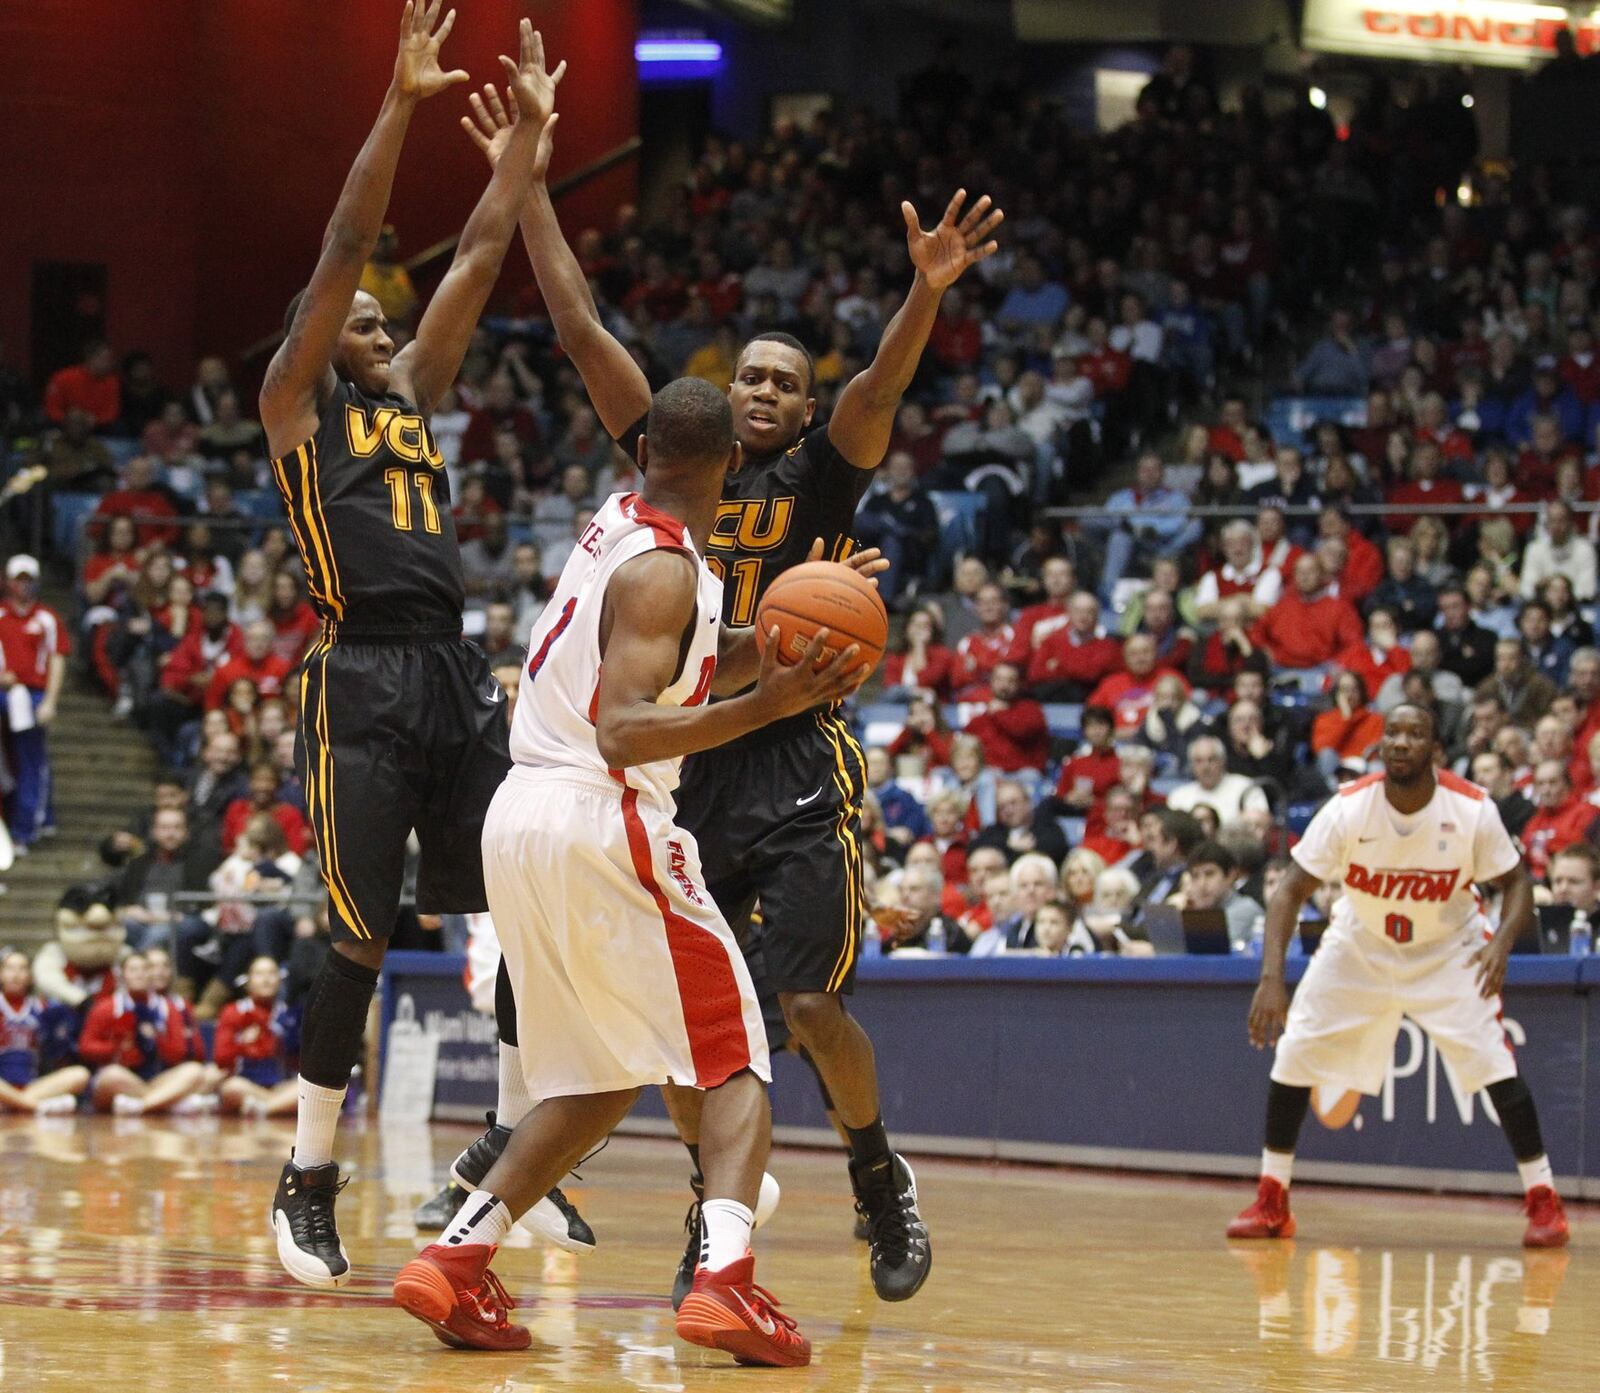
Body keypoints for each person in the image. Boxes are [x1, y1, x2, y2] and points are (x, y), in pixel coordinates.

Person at [470, 86, 999, 1306]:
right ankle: (718, 1223)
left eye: (782, 382)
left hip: (794, 757)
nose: (762, 391)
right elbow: (578, 325)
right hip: (682, 761)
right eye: (748, 375)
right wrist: (535, 187)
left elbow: (879, 386)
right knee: (676, 1024)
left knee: (808, 1002)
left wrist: (926, 289)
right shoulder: (675, 458)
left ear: (803, 411)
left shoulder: (821, 470)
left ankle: (877, 1175)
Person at [392, 378, 867, 1361]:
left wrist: (789, 646)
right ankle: (727, 1282)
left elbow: (688, 660)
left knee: (601, 1077)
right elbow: (623, 731)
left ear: (646, 446)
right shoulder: (663, 572)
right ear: (734, 464)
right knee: (733, 1058)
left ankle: (455, 1257)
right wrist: (773, 703)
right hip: (601, 813)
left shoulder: (618, 520)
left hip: (522, 819)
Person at [256, 5, 563, 1290]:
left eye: (389, 323)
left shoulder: (412, 407)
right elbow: (341, 246)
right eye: (363, 326)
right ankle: (308, 1170)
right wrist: (398, 105)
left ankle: (499, 1150)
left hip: (450, 663)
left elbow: (485, 252)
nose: (383, 331)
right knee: (360, 932)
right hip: (359, 674)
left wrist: (524, 150)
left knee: (515, 911)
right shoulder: (296, 407)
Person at [1229, 705, 1569, 1249]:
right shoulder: (1348, 808)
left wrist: (1501, 944)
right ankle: (1272, 1199)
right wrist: (1272, 977)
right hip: (1360, 944)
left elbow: (1517, 883)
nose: (1402, 742)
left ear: (1436, 750)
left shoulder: (1472, 810)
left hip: (1448, 950)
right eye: (1394, 733)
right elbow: (1290, 890)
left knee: (1492, 1060)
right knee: (1295, 1053)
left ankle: (1544, 1202)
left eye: (1416, 733)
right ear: (1380, 745)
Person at [79, 951, 209, 1116]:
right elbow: (85, 1047)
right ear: (123, 975)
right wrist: (118, 1047)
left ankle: (143, 1106)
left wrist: (157, 1039)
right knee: (111, 1075)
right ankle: (167, 1102)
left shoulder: (168, 1007)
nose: (139, 975)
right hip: (123, 1077)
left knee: (194, 1070)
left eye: (144, 969)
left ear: (151, 974)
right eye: (133, 970)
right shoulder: (107, 1006)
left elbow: (179, 1051)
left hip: (157, 1077)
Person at [0, 555, 68, 851]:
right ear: (8, 582)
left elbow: (57, 658)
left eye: (29, 580)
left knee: (32, 758)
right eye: (19, 579)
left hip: (33, 693)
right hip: (4, 689)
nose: (23, 586)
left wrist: (50, 701)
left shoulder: (46, 617)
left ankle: (25, 828)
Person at [0, 950, 89, 1114]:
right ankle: (35, 1106)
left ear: (30, 976)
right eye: (10, 968)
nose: (15, 974)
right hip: (2, 1085)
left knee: (80, 1074)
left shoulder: (42, 1008)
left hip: (32, 1086)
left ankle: (14, 1104)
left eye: (22, 969)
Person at [214, 957, 303, 1118]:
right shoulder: (234, 1011)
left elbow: (300, 1060)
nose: (266, 979)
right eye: (259, 974)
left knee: (308, 1088)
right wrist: (243, 1044)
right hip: (246, 1084)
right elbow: (221, 1058)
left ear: (280, 980)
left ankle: (264, 1108)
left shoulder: (289, 1014)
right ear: (248, 981)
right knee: (231, 1088)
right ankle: (279, 1106)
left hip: (280, 1085)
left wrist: (285, 1042)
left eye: (271, 973)